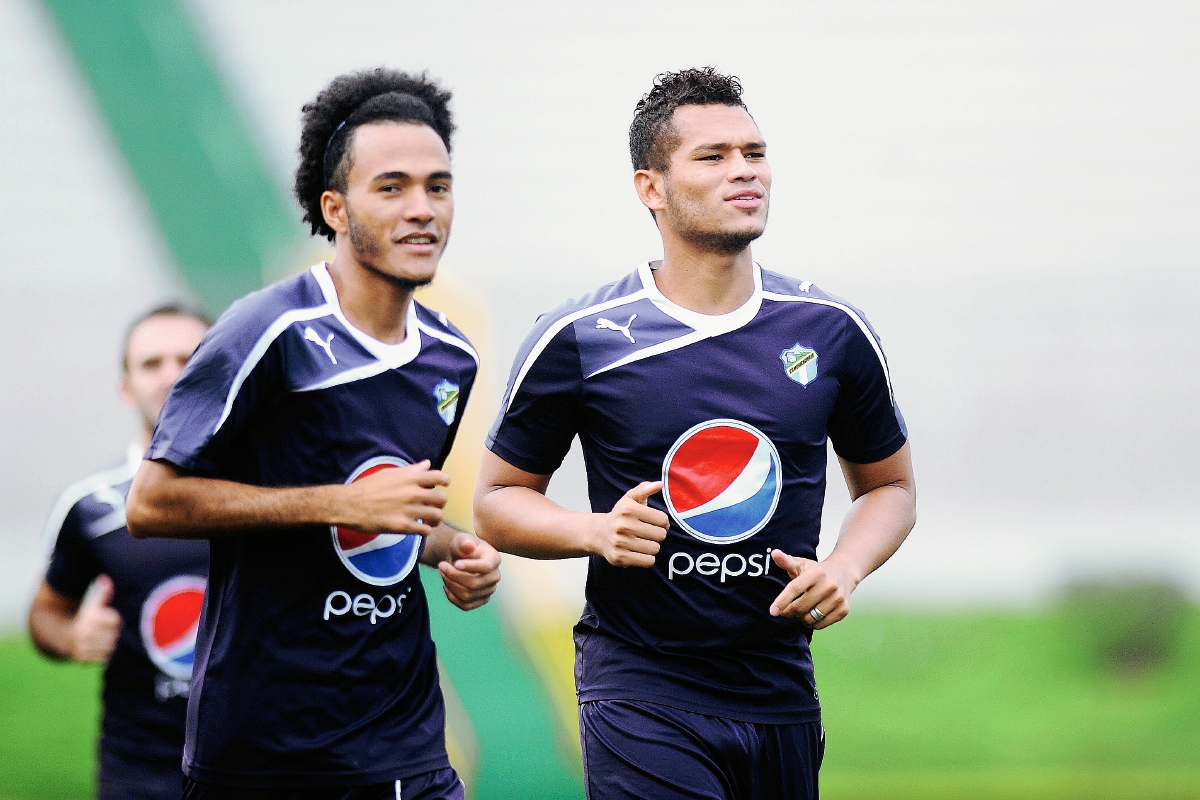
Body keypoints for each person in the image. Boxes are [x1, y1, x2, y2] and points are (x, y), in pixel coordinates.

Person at [474, 67, 917, 800]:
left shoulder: (831, 331)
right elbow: (495, 500)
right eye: (712, 157)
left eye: (754, 152)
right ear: (650, 187)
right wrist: (593, 532)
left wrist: (844, 568)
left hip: (779, 691)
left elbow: (891, 486)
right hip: (640, 686)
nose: (744, 171)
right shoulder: (582, 337)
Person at [124, 68, 501, 800]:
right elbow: (153, 505)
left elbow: (383, 511)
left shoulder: (452, 356)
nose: (422, 209)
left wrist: (451, 547)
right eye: (391, 188)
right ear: (335, 207)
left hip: (404, 739)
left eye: (438, 186)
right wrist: (339, 504)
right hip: (267, 748)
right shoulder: (265, 331)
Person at [29, 305, 212, 800]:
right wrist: (71, 636)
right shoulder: (93, 506)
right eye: (151, 363)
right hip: (140, 772)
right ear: (125, 387)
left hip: (267, 769)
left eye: (189, 357)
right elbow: (46, 614)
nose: (171, 374)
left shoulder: (277, 493)